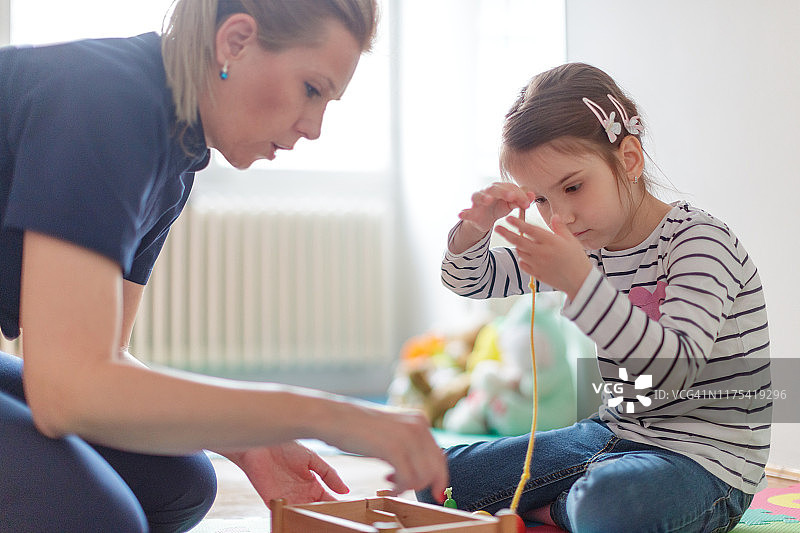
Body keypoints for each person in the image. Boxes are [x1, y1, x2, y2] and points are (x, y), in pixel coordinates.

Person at [0, 0, 448, 531]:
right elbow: (69, 394)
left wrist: (246, 437)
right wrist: (327, 414)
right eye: (312, 89)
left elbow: (107, 360)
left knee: (180, 482)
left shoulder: (176, 158)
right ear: (234, 42)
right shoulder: (108, 100)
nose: (315, 128)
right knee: (93, 517)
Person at [416, 62, 770, 532]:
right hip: (612, 435)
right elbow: (471, 280)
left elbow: (675, 368)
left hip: (707, 463)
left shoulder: (700, 243)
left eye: (573, 187)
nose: (560, 215)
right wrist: (475, 228)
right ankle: (571, 502)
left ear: (628, 159)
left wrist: (580, 280)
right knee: (437, 476)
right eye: (540, 199)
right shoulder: (588, 244)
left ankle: (557, 507)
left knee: (611, 504)